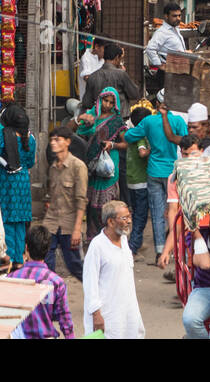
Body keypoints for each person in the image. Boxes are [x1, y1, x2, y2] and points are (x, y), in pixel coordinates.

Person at [114, 99, 189, 260]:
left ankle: (160, 251)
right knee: (176, 212)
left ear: (156, 103)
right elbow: (186, 142)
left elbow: (128, 136)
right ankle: (176, 250)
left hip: (154, 170)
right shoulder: (178, 121)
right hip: (173, 171)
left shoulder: (148, 121)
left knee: (156, 212)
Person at [83, 200, 144, 338]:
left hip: (127, 312)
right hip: (107, 316)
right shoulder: (97, 246)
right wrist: (96, 314)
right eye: (124, 218)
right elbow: (90, 283)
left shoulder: (123, 241)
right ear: (110, 222)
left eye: (129, 217)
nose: (129, 221)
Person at [0, 103, 36, 267]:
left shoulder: (3, 135)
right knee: (20, 223)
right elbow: (29, 162)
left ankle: (8, 259)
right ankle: (19, 260)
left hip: (5, 184)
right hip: (22, 184)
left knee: (4, 221)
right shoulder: (31, 138)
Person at [9, 225, 74, 338]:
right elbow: (64, 318)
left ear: (26, 248)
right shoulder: (56, 282)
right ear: (47, 250)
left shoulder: (10, 279)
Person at [78, 87, 124, 240]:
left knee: (106, 206)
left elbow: (126, 143)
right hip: (92, 164)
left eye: (112, 102)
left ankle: (108, 237)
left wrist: (113, 145)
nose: (108, 105)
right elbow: (79, 132)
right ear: (100, 99)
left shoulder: (116, 121)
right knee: (91, 204)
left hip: (109, 164)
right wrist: (84, 119)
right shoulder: (92, 116)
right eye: (106, 101)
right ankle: (92, 238)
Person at [42, 125, 87, 280]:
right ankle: (51, 296)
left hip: (69, 223)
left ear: (67, 142)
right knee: (46, 261)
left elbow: (81, 200)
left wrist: (77, 229)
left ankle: (97, 298)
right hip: (52, 221)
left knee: (75, 265)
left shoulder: (78, 166)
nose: (53, 143)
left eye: (57, 140)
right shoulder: (53, 167)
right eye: (52, 140)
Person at [122, 103, 152, 255]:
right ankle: (133, 245)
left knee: (135, 213)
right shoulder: (141, 137)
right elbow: (142, 153)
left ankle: (134, 242)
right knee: (140, 215)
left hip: (131, 180)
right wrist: (152, 149)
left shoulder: (131, 133)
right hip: (141, 181)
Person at [81, 43, 141, 115]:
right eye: (120, 59)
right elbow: (134, 94)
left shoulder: (93, 76)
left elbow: (87, 103)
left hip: (100, 118)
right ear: (117, 58)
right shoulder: (121, 74)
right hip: (120, 117)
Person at [145, 2, 188, 93]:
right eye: (174, 16)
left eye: (179, 15)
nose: (178, 18)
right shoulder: (162, 32)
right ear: (166, 16)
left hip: (177, 71)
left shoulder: (175, 29)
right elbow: (150, 49)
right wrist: (160, 65)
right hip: (167, 74)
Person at [77, 36, 105, 103]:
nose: (107, 52)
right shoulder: (86, 58)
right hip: (89, 104)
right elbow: (87, 78)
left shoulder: (103, 59)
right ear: (97, 47)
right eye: (105, 48)